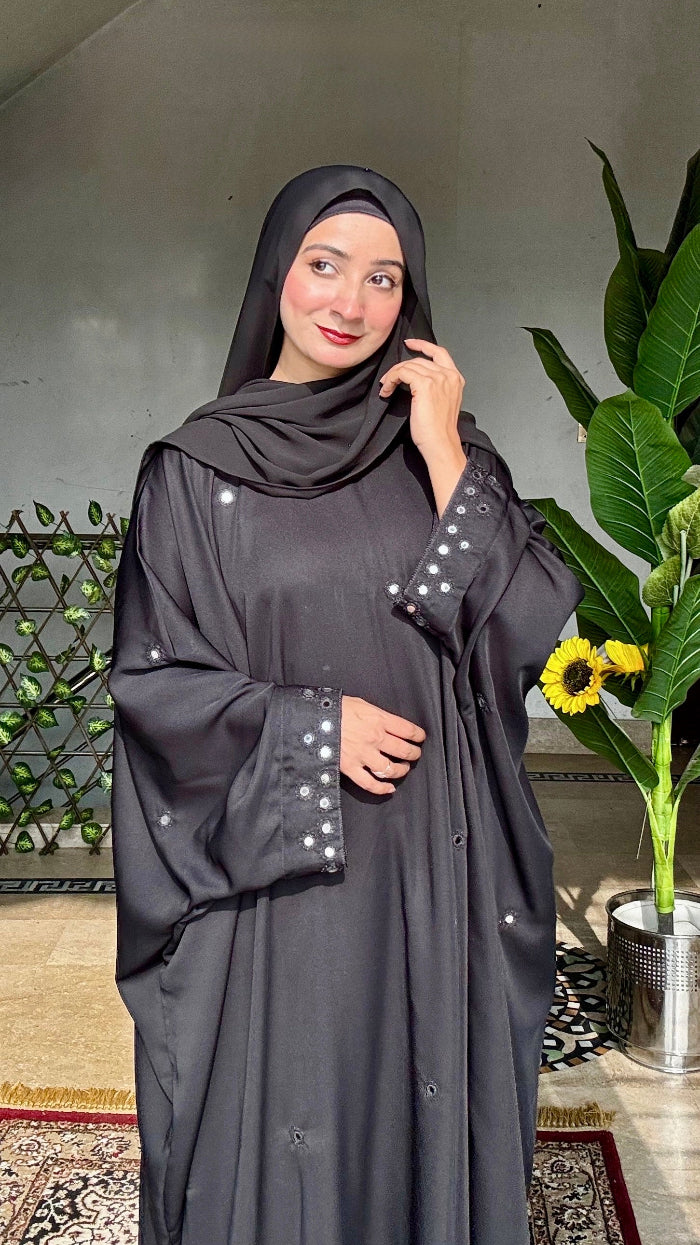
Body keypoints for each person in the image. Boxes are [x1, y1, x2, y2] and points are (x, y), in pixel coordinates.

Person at [109, 163, 584, 1245]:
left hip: (431, 858)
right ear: (277, 271)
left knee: (418, 1095)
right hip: (284, 872)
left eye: (383, 279)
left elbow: (519, 623)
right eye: (325, 266)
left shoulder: (444, 454)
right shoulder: (194, 471)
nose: (349, 302)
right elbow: (155, 682)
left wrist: (444, 448)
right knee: (283, 1124)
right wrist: (313, 726)